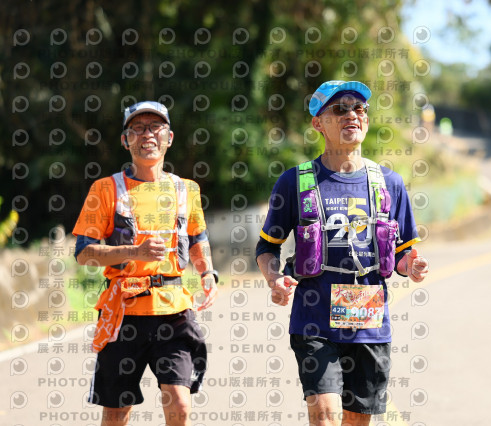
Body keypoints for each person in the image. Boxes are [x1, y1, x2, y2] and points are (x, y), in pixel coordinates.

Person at [256, 81, 429, 425]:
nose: (352, 115)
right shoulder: (295, 182)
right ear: (318, 123)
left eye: (359, 108)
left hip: (369, 323)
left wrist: (412, 265)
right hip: (314, 319)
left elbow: (403, 253)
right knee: (325, 414)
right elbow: (267, 247)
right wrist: (274, 278)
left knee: (356, 420)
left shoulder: (389, 183)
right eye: (340, 109)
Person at [73, 101, 218, 426]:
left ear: (170, 137)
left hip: (173, 311)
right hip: (123, 313)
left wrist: (207, 272)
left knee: (180, 403)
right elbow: (83, 253)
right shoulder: (105, 189)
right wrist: (134, 253)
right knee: (116, 412)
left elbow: (197, 237)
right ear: (125, 140)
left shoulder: (186, 189)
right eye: (137, 128)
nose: (147, 134)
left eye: (155, 127)